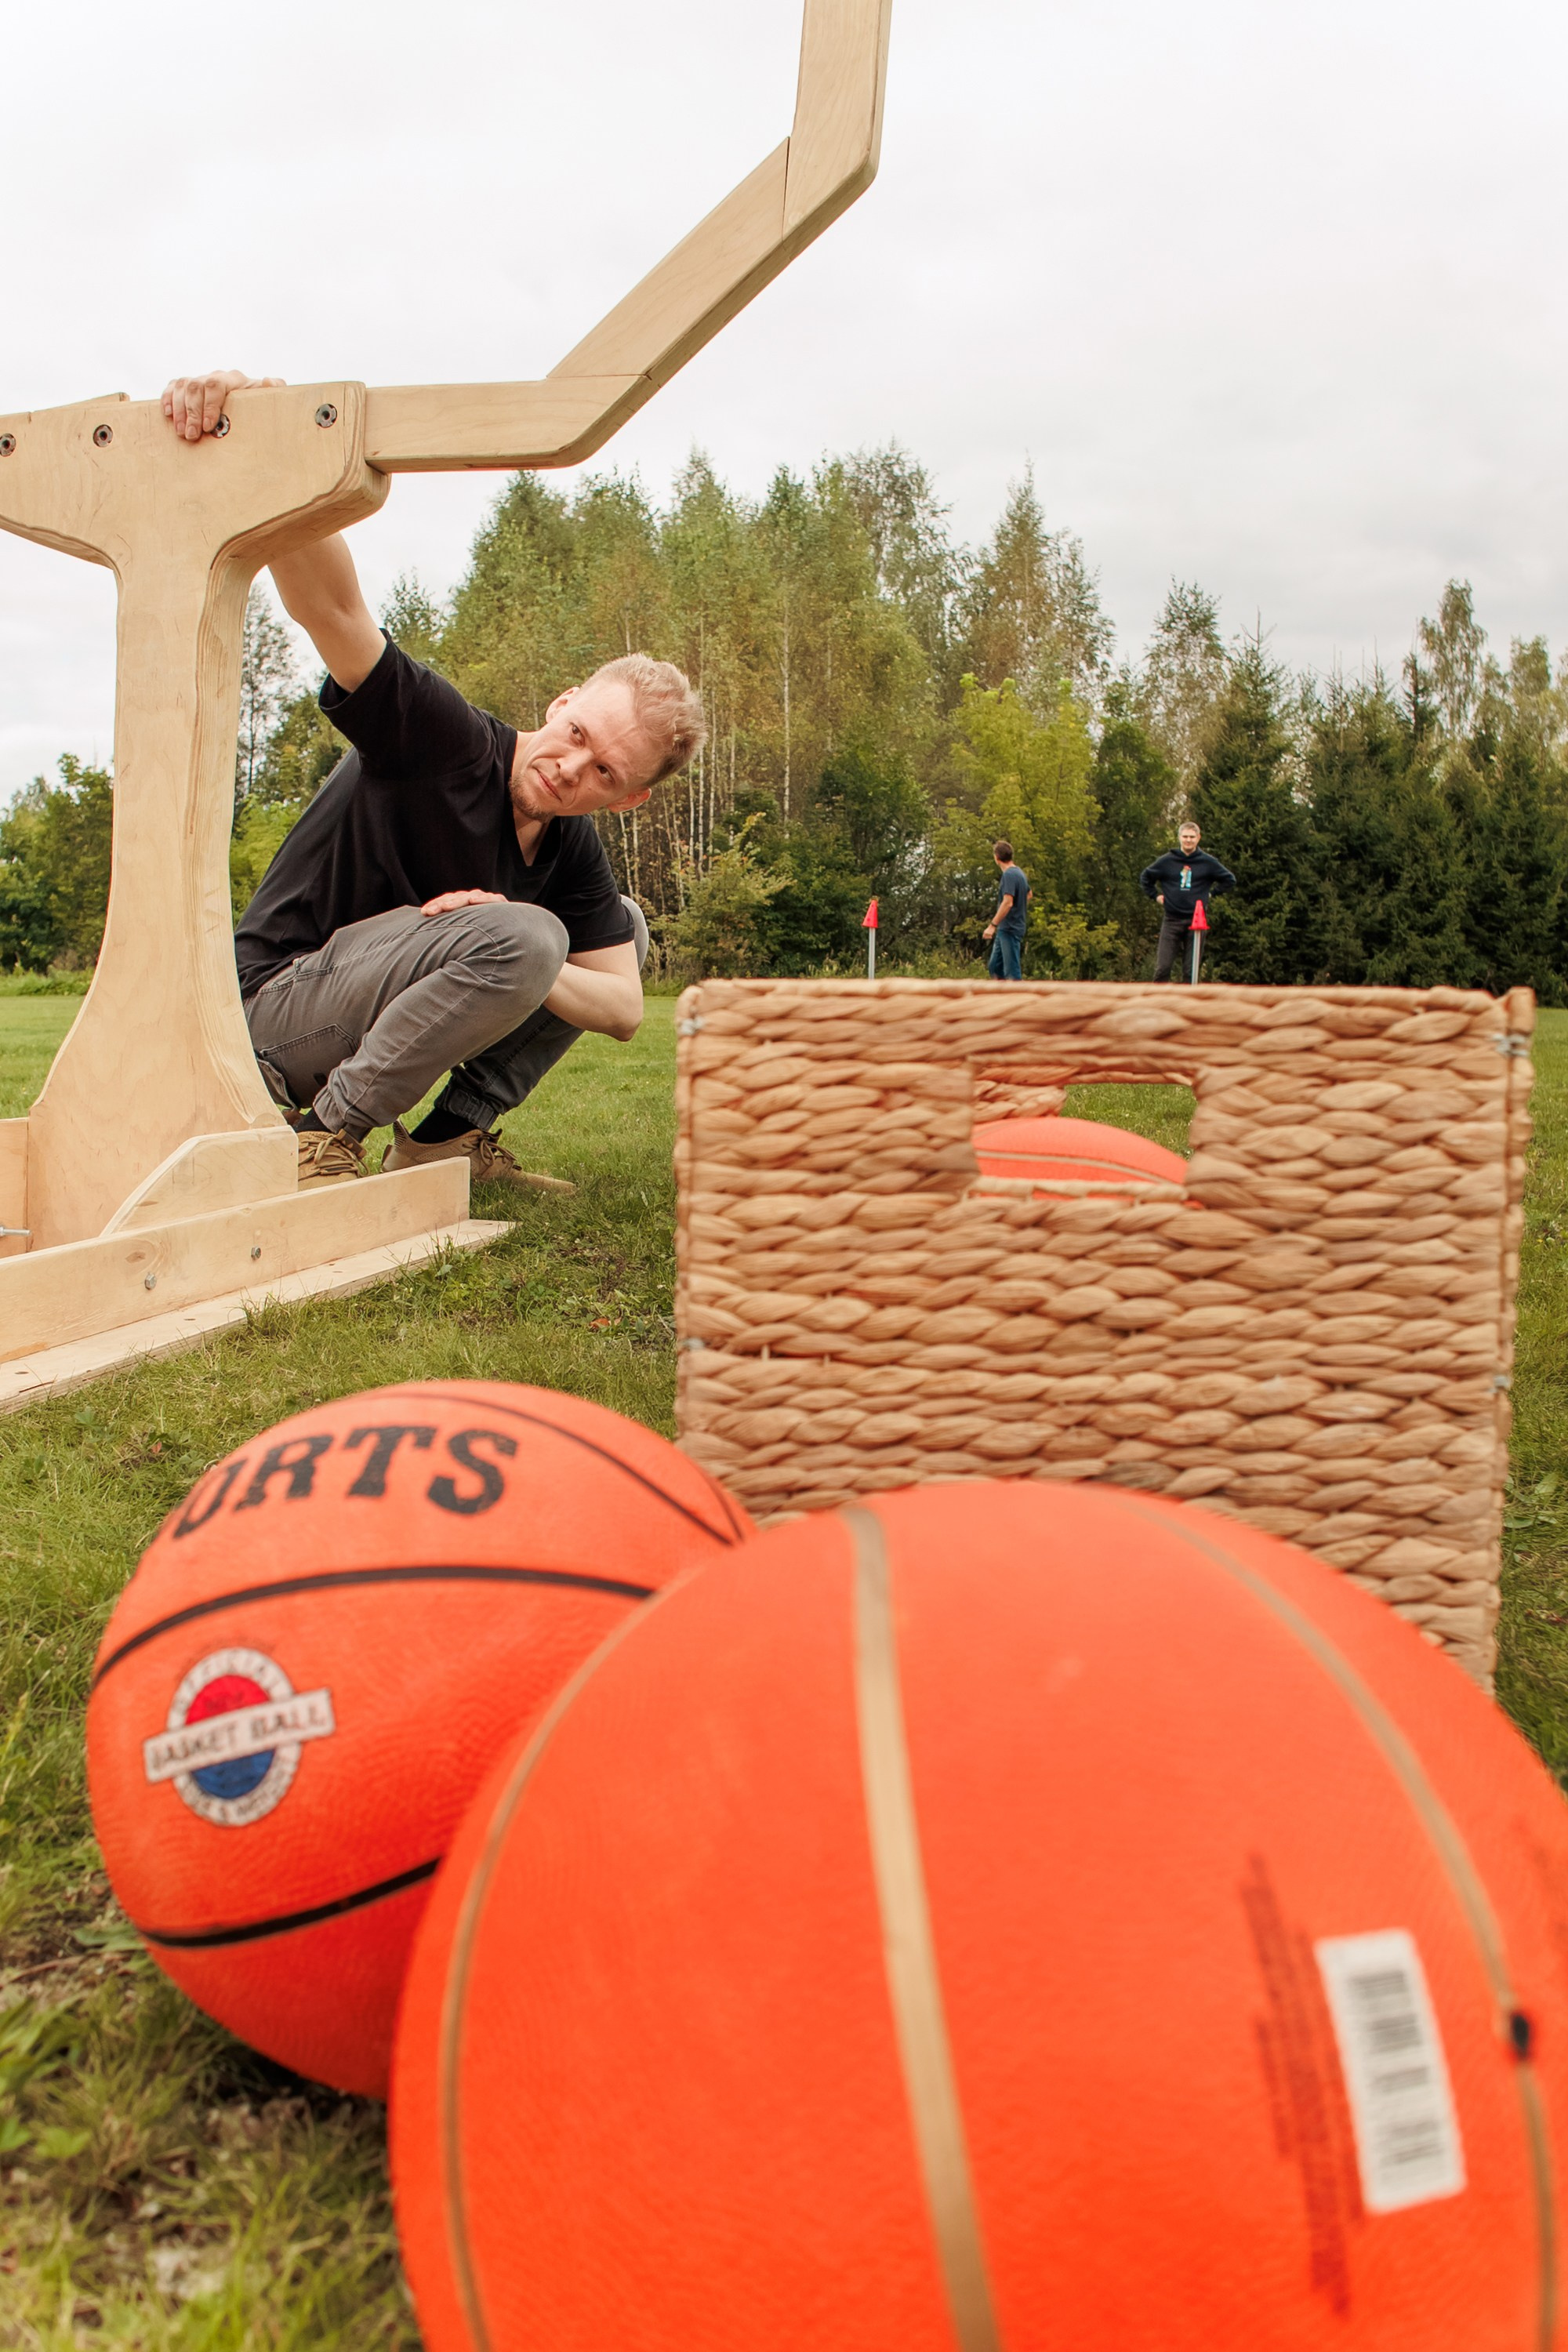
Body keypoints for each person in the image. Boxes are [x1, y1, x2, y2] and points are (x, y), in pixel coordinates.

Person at [162, 370, 705, 1189]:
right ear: (561, 702)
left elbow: (625, 1010)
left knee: (609, 928)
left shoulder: (568, 851)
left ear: (630, 797)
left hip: (375, 1008)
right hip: (268, 1019)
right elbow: (335, 614)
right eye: (576, 733)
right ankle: (321, 1136)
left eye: (603, 772)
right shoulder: (445, 742)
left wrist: (533, 960)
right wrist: (278, 446)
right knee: (533, 937)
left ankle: (444, 1139)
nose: (568, 768)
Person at [1140, 822, 1235, 983]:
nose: (1188, 840)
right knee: (1163, 968)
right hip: (1172, 920)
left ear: (1198, 838)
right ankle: (1156, 1002)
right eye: (1185, 837)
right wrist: (1155, 896)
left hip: (1196, 923)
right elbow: (1145, 877)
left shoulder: (1208, 862)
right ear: (1179, 838)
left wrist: (1211, 894)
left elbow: (1229, 880)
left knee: (1191, 972)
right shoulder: (1167, 861)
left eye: (1192, 837)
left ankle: (1186, 1006)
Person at [981, 839, 1031, 980]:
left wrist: (992, 926)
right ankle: (1001, 998)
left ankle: (1018, 999)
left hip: (1010, 928)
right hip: (1006, 928)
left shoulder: (1009, 875)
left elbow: (1008, 902)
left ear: (996, 858)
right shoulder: (1020, 873)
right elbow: (1029, 894)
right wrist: (1018, 907)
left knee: (1011, 972)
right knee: (995, 967)